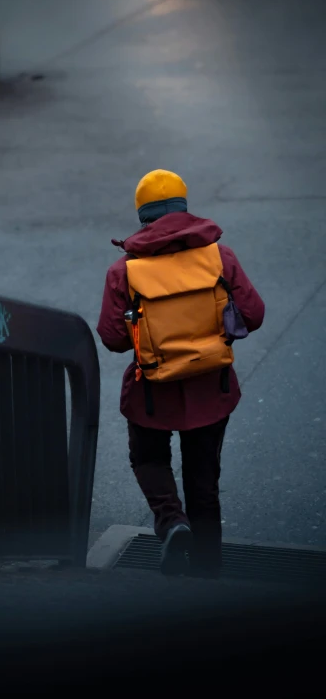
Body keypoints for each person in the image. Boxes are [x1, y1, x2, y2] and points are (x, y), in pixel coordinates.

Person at [97, 169, 265, 577]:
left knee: (149, 457)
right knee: (203, 481)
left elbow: (113, 338)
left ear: (143, 216)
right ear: (185, 208)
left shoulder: (125, 270)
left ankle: (172, 521)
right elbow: (254, 315)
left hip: (152, 392)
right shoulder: (219, 258)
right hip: (212, 386)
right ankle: (208, 572)